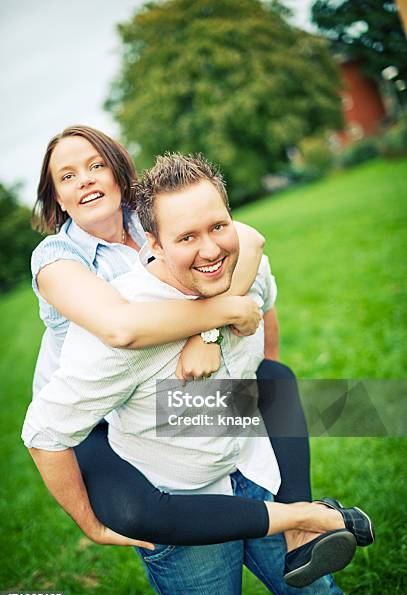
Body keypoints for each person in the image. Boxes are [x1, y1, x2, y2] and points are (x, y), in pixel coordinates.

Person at [22, 151, 374, 595]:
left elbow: (265, 329)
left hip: (255, 470)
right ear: (154, 245)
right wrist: (90, 522)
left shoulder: (245, 269)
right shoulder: (110, 322)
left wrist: (256, 393)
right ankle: (308, 516)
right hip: (182, 504)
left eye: (218, 228)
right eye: (187, 237)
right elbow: (44, 431)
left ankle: (302, 522)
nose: (210, 250)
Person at [27, 124, 311, 552]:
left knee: (275, 380)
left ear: (121, 174)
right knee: (141, 512)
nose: (84, 178)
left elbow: (248, 239)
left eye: (96, 165)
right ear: (58, 199)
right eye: (67, 176)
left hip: (155, 396)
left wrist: (209, 336)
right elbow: (120, 327)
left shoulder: (148, 224)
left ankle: (299, 526)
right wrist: (220, 313)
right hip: (94, 416)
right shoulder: (54, 258)